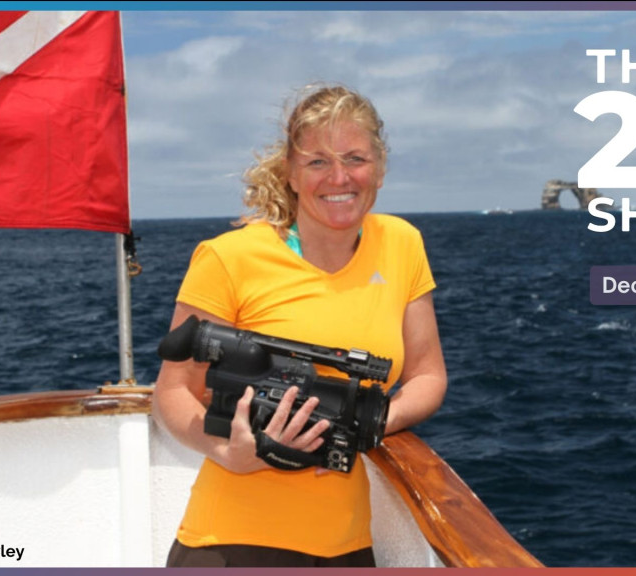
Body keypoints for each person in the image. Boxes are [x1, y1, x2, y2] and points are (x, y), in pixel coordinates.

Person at [153, 84, 447, 567]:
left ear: (380, 168)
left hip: (345, 548)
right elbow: (172, 391)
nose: (339, 177)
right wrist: (228, 452)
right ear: (289, 173)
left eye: (355, 158)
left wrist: (364, 423)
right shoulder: (229, 258)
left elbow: (428, 375)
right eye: (317, 162)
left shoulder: (402, 244)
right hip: (228, 544)